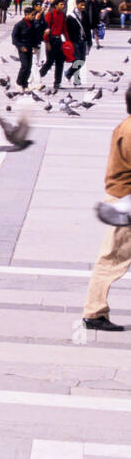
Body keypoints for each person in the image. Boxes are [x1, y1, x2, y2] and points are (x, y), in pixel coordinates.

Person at [82, 88, 131, 332]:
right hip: (126, 201)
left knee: (113, 256)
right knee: (112, 258)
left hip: (123, 198)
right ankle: (94, 312)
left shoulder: (127, 125)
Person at [39, 0, 69, 91]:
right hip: (51, 40)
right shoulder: (50, 14)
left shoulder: (62, 15)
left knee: (60, 62)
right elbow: (45, 29)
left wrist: (68, 41)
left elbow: (64, 29)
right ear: (56, 5)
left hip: (59, 40)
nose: (63, 6)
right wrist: (47, 42)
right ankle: (38, 76)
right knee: (49, 61)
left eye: (63, 4)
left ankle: (57, 83)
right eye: (61, 4)